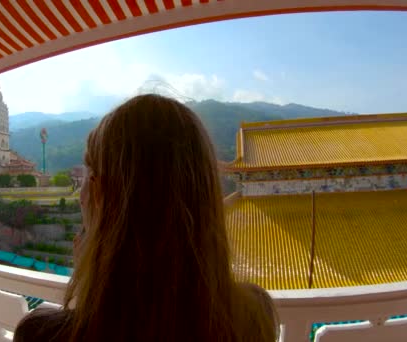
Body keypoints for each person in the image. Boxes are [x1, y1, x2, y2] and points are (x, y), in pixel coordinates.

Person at [14, 94, 278, 342]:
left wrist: (90, 286)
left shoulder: (42, 334)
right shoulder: (255, 316)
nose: (79, 196)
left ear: (100, 192)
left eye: (87, 176)